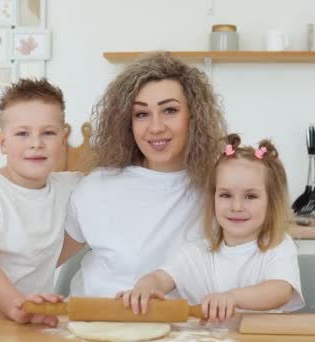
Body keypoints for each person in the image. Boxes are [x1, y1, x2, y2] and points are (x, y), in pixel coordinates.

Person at [57, 52, 227, 297]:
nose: (156, 127)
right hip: (95, 324)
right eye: (141, 114)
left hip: (183, 329)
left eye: (169, 110)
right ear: (128, 123)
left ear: (193, 117)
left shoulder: (219, 190)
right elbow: (42, 263)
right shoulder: (97, 187)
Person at [118, 134, 305, 323]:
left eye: (250, 196)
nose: (237, 206)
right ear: (213, 198)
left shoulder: (278, 246)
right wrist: (144, 287)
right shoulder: (198, 252)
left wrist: (231, 298)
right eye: (225, 195)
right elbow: (160, 278)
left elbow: (280, 290)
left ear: (271, 202)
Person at [0, 78, 81, 327]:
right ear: (2, 142)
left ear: (63, 140)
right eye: (22, 133)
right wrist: (19, 306)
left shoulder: (70, 187)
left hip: (32, 322)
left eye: (48, 133)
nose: (36, 143)